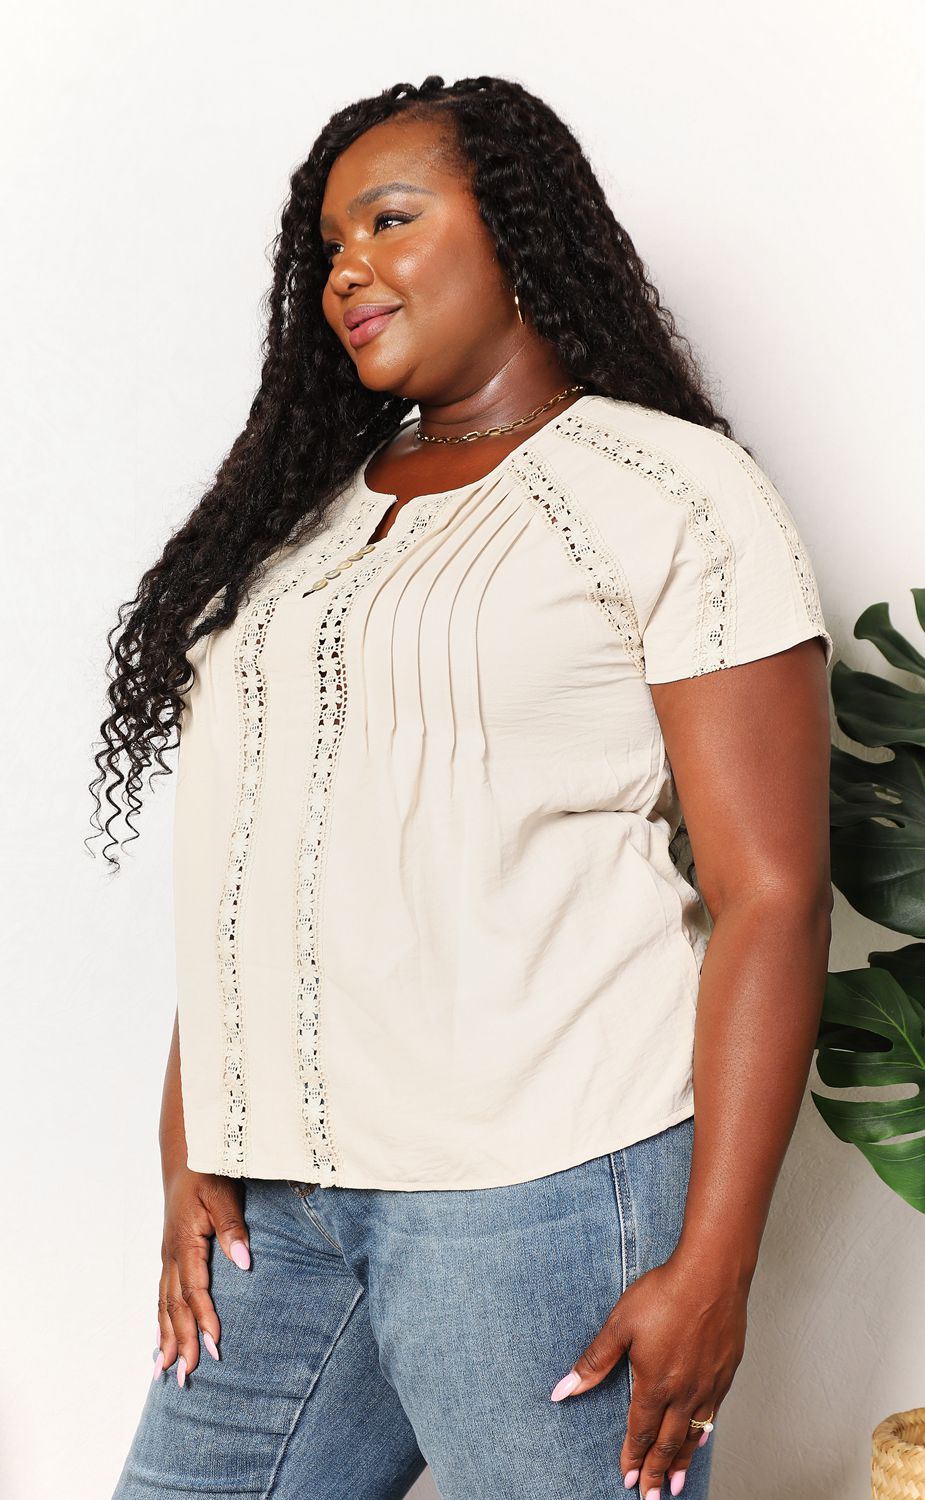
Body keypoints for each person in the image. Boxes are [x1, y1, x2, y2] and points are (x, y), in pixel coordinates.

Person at [97, 74, 834, 1500]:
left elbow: (774, 892)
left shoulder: (670, 491)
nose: (346, 269)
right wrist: (194, 1135)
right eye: (328, 247)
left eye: (390, 218)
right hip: (281, 1211)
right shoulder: (303, 526)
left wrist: (716, 1265)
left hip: (540, 1198)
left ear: (515, 229)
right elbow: (264, 849)